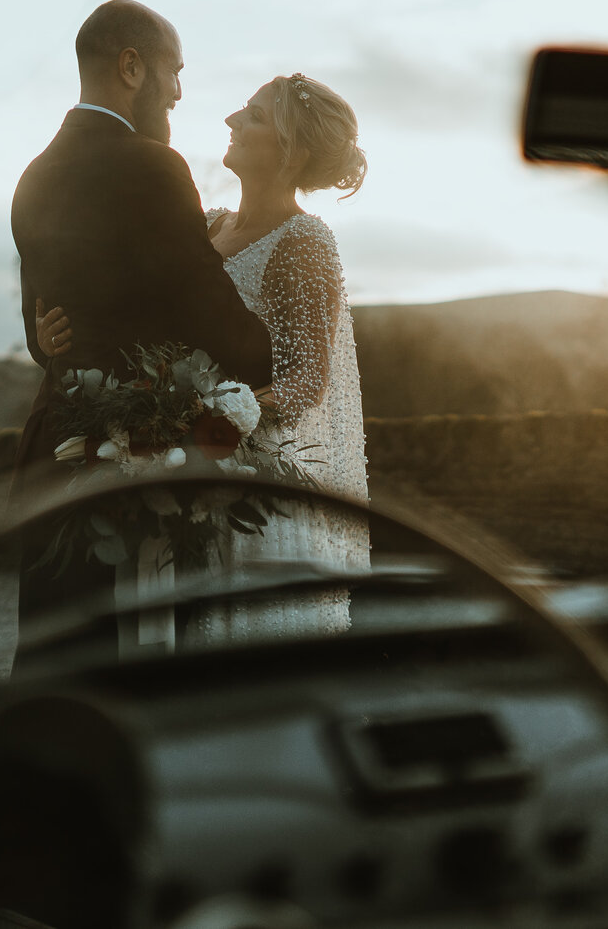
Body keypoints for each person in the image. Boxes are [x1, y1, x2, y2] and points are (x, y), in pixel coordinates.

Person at [38, 72, 371, 641]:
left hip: (250, 486)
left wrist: (211, 423)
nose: (231, 120)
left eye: (254, 115)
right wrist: (54, 341)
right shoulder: (209, 225)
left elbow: (305, 382)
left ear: (292, 153)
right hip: (182, 474)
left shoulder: (304, 243)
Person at [10, 0, 272, 653]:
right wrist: (277, 355)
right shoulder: (153, 167)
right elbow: (212, 317)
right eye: (172, 71)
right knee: (137, 665)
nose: (180, 91)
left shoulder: (32, 176)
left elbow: (41, 336)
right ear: (131, 66)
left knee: (56, 664)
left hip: (50, 457)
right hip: (134, 467)